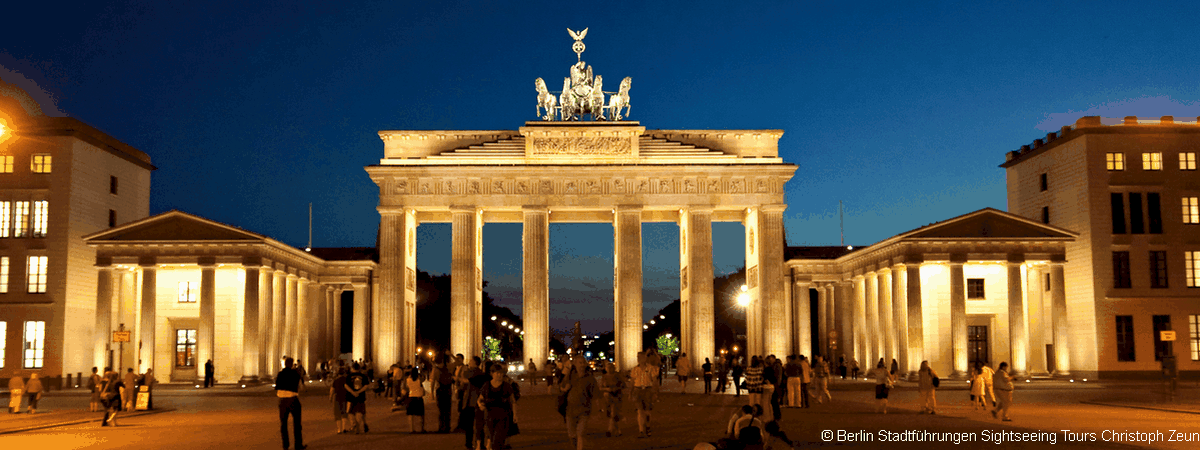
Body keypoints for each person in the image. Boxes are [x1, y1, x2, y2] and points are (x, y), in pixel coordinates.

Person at [562, 354, 597, 450]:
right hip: (570, 410)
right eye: (579, 363)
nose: (582, 365)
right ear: (575, 364)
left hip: (584, 409)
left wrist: (598, 409)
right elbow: (562, 386)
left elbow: (596, 395)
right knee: (572, 435)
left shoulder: (590, 378)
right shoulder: (570, 376)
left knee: (580, 433)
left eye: (583, 363)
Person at [478, 363, 516, 450]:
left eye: (501, 373)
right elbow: (480, 398)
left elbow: (513, 401)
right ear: (492, 374)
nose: (499, 375)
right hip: (490, 415)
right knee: (491, 437)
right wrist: (480, 405)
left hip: (504, 416)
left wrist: (515, 415)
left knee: (498, 439)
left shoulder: (507, 386)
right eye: (497, 373)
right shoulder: (486, 385)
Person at [276, 356, 306, 449]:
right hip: (293, 399)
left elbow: (277, 387)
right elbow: (301, 387)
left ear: (285, 364)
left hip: (282, 400)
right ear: (292, 364)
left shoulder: (280, 374)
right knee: (297, 424)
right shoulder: (295, 373)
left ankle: (285, 445)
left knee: (283, 424)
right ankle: (298, 445)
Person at [630, 351, 660, 438]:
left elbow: (654, 381)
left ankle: (647, 426)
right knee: (639, 411)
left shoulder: (651, 368)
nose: (638, 359)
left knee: (647, 411)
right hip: (637, 390)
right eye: (637, 357)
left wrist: (655, 392)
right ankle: (641, 430)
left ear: (645, 358)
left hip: (648, 390)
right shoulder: (635, 369)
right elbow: (632, 382)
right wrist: (630, 392)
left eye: (640, 357)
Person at [599, 361, 625, 437]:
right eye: (608, 368)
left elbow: (623, 385)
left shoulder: (617, 376)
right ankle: (618, 429)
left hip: (616, 396)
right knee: (613, 414)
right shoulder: (604, 377)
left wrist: (616, 388)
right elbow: (601, 387)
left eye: (611, 367)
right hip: (608, 396)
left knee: (613, 413)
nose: (609, 369)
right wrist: (607, 389)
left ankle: (609, 430)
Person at [431, 354, 454, 433]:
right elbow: (458, 362)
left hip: (440, 390)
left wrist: (431, 392)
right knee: (448, 409)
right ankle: (447, 427)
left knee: (441, 410)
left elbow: (433, 381)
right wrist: (451, 355)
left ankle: (441, 427)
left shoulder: (435, 369)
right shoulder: (449, 367)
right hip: (448, 389)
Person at [345, 362, 370, 434]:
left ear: (352, 368)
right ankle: (358, 426)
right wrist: (358, 392)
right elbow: (366, 386)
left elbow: (346, 386)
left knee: (350, 412)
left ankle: (354, 424)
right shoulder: (363, 376)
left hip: (350, 397)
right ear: (359, 368)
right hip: (361, 397)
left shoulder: (349, 376)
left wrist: (353, 392)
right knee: (359, 412)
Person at [403, 367, 426, 433]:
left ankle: (411, 429)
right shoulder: (419, 380)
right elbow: (423, 378)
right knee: (421, 414)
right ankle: (421, 429)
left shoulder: (407, 380)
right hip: (418, 397)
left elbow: (405, 388)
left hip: (411, 396)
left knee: (410, 414)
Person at [329, 368, 349, 434]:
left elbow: (332, 390)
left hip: (337, 397)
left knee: (337, 414)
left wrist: (330, 397)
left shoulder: (335, 381)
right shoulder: (346, 380)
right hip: (345, 397)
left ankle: (339, 429)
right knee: (344, 413)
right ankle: (344, 428)